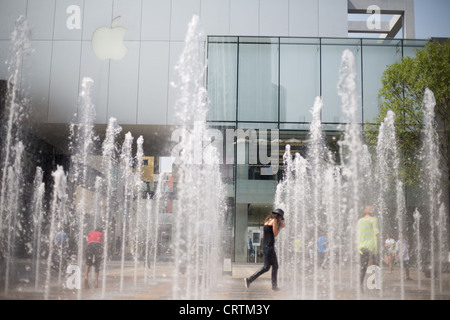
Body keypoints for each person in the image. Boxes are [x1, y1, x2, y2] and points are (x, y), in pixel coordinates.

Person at [244, 208, 286, 291]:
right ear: (279, 216)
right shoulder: (274, 221)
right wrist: (280, 227)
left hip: (266, 246)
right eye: (281, 218)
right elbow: (275, 234)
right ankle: (249, 280)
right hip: (269, 247)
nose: (281, 220)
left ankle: (274, 286)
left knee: (275, 266)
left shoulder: (267, 220)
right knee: (266, 267)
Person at [357, 205, 379, 291]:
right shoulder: (373, 219)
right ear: (371, 211)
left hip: (362, 247)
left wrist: (358, 246)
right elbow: (376, 231)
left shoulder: (360, 221)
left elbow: (358, 234)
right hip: (371, 246)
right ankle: (376, 284)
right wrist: (382, 241)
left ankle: (360, 285)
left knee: (363, 266)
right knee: (376, 265)